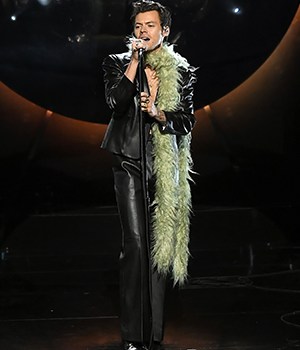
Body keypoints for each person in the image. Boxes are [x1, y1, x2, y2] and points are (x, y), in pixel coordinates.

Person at [101, 1, 196, 349]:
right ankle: (132, 336)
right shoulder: (117, 63)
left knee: (158, 249)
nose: (143, 31)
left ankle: (153, 335)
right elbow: (116, 102)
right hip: (129, 161)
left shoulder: (181, 70)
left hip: (164, 165)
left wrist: (158, 112)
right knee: (136, 244)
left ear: (164, 31)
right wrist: (135, 62)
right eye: (138, 26)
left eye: (150, 26)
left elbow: (186, 120)